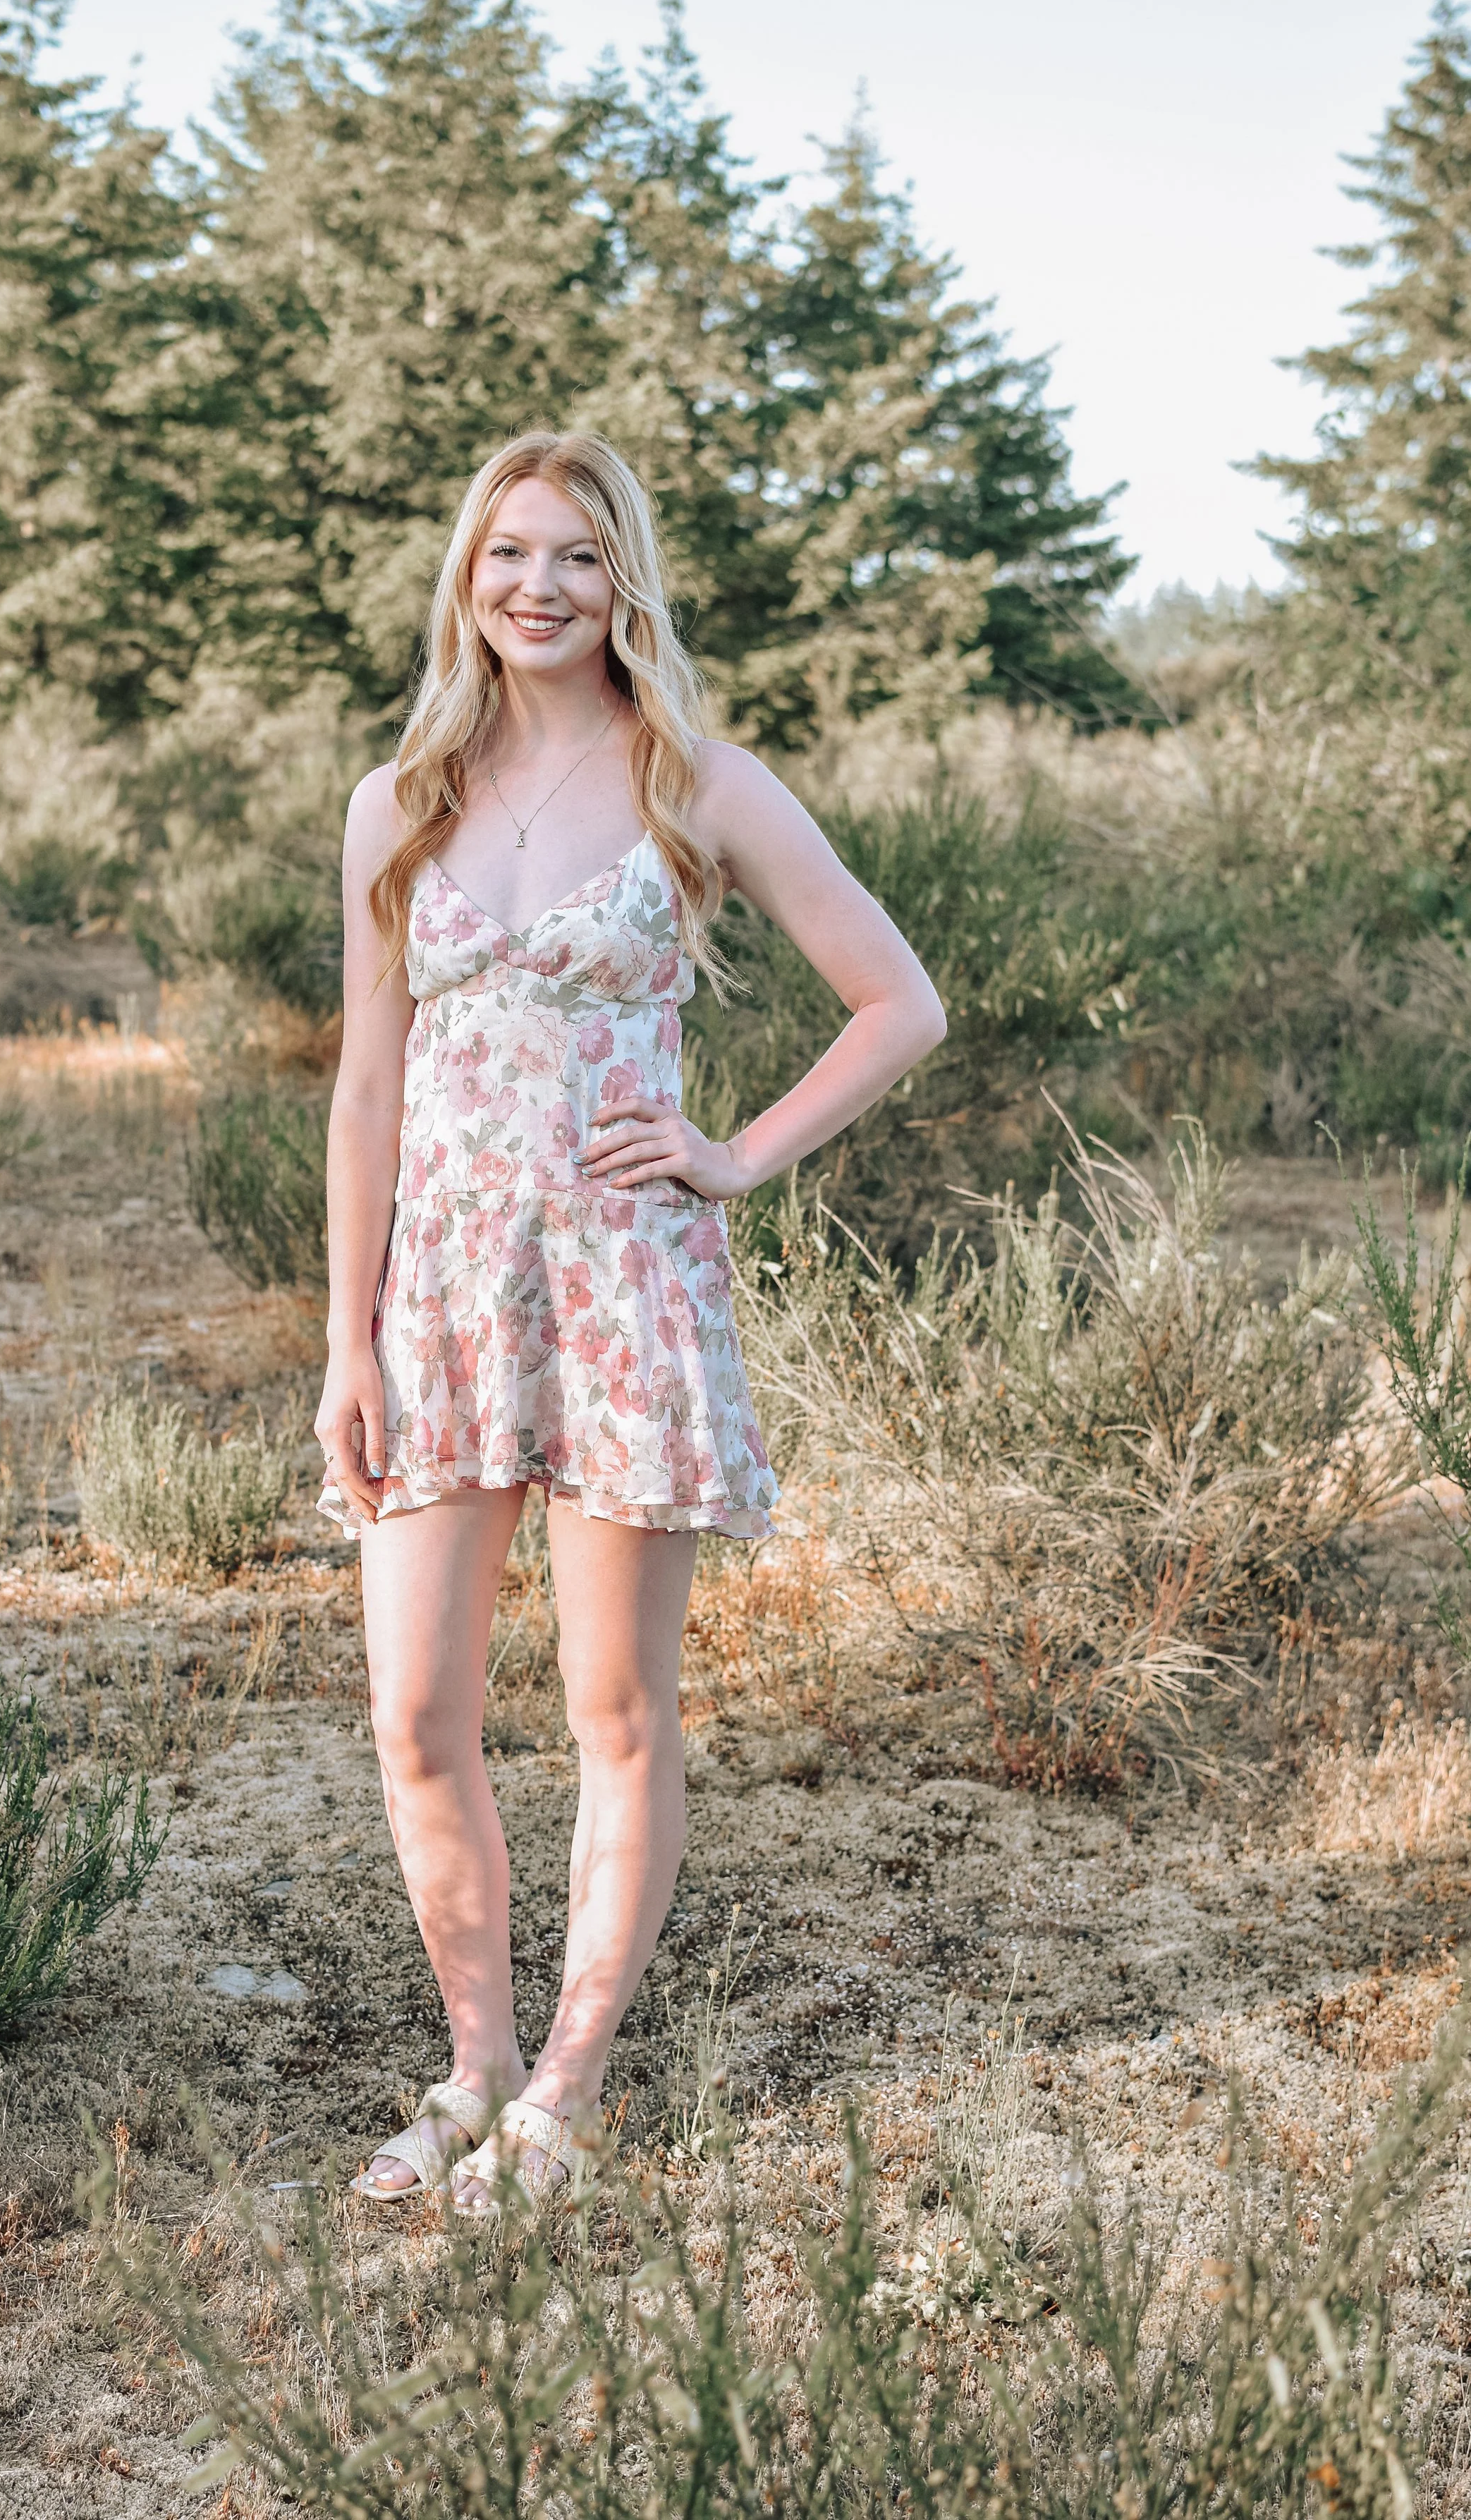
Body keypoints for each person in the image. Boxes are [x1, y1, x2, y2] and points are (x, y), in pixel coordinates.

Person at [315, 429, 946, 2212]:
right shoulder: (398, 800)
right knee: (413, 1714)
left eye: (578, 556)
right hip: (439, 1304)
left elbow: (898, 1004)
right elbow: (365, 1090)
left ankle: (565, 2094)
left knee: (614, 1706)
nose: (540, 586)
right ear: (467, 575)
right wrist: (347, 1340)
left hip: (620, 1295)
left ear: (623, 584)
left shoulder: (699, 783)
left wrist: (731, 1154)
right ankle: (470, 2069)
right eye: (510, 552)